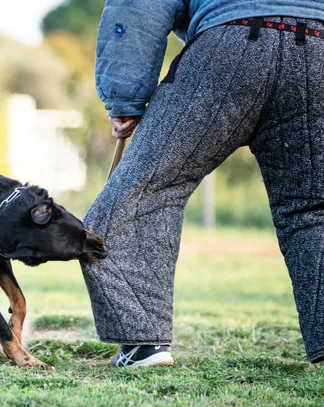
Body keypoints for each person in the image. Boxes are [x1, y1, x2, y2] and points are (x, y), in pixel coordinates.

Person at [82, 0, 324, 367]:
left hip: (231, 46)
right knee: (312, 211)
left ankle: (142, 345)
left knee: (143, 192)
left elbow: (139, 5)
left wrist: (124, 96)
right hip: (320, 47)